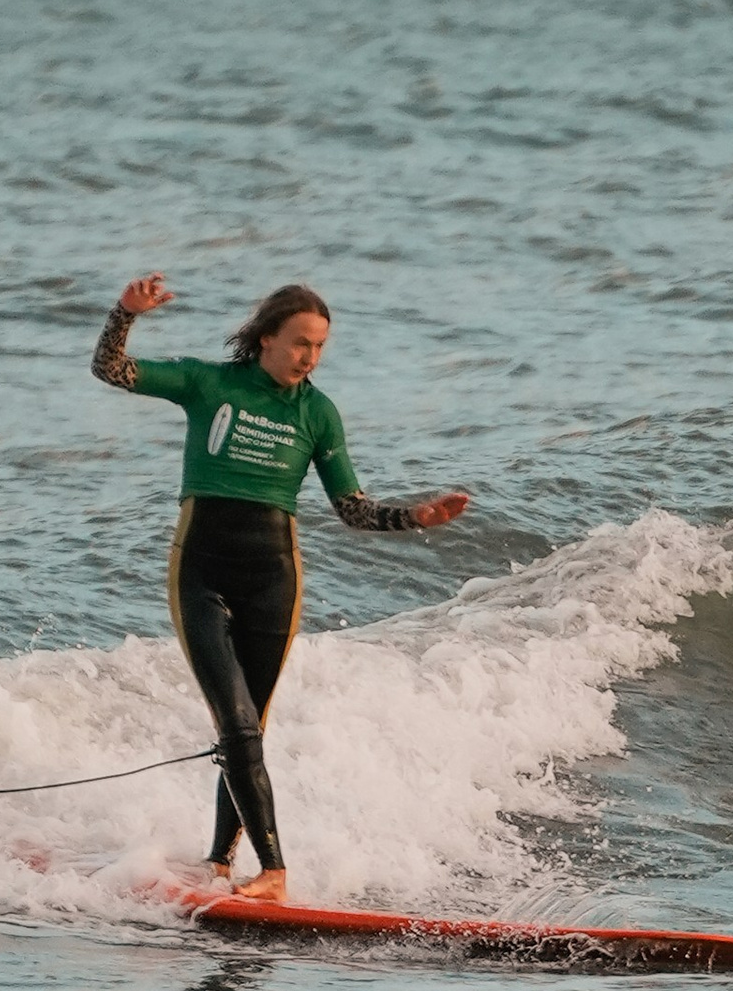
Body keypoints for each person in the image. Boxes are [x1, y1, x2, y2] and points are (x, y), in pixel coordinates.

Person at [93, 276, 469, 894]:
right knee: (236, 726)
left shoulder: (317, 413)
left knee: (247, 728)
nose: (310, 358)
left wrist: (414, 517)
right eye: (300, 343)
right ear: (266, 337)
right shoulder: (206, 383)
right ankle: (274, 871)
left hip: (274, 583)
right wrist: (124, 314)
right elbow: (112, 369)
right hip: (202, 575)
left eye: (319, 347)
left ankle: (220, 862)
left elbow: (351, 507)